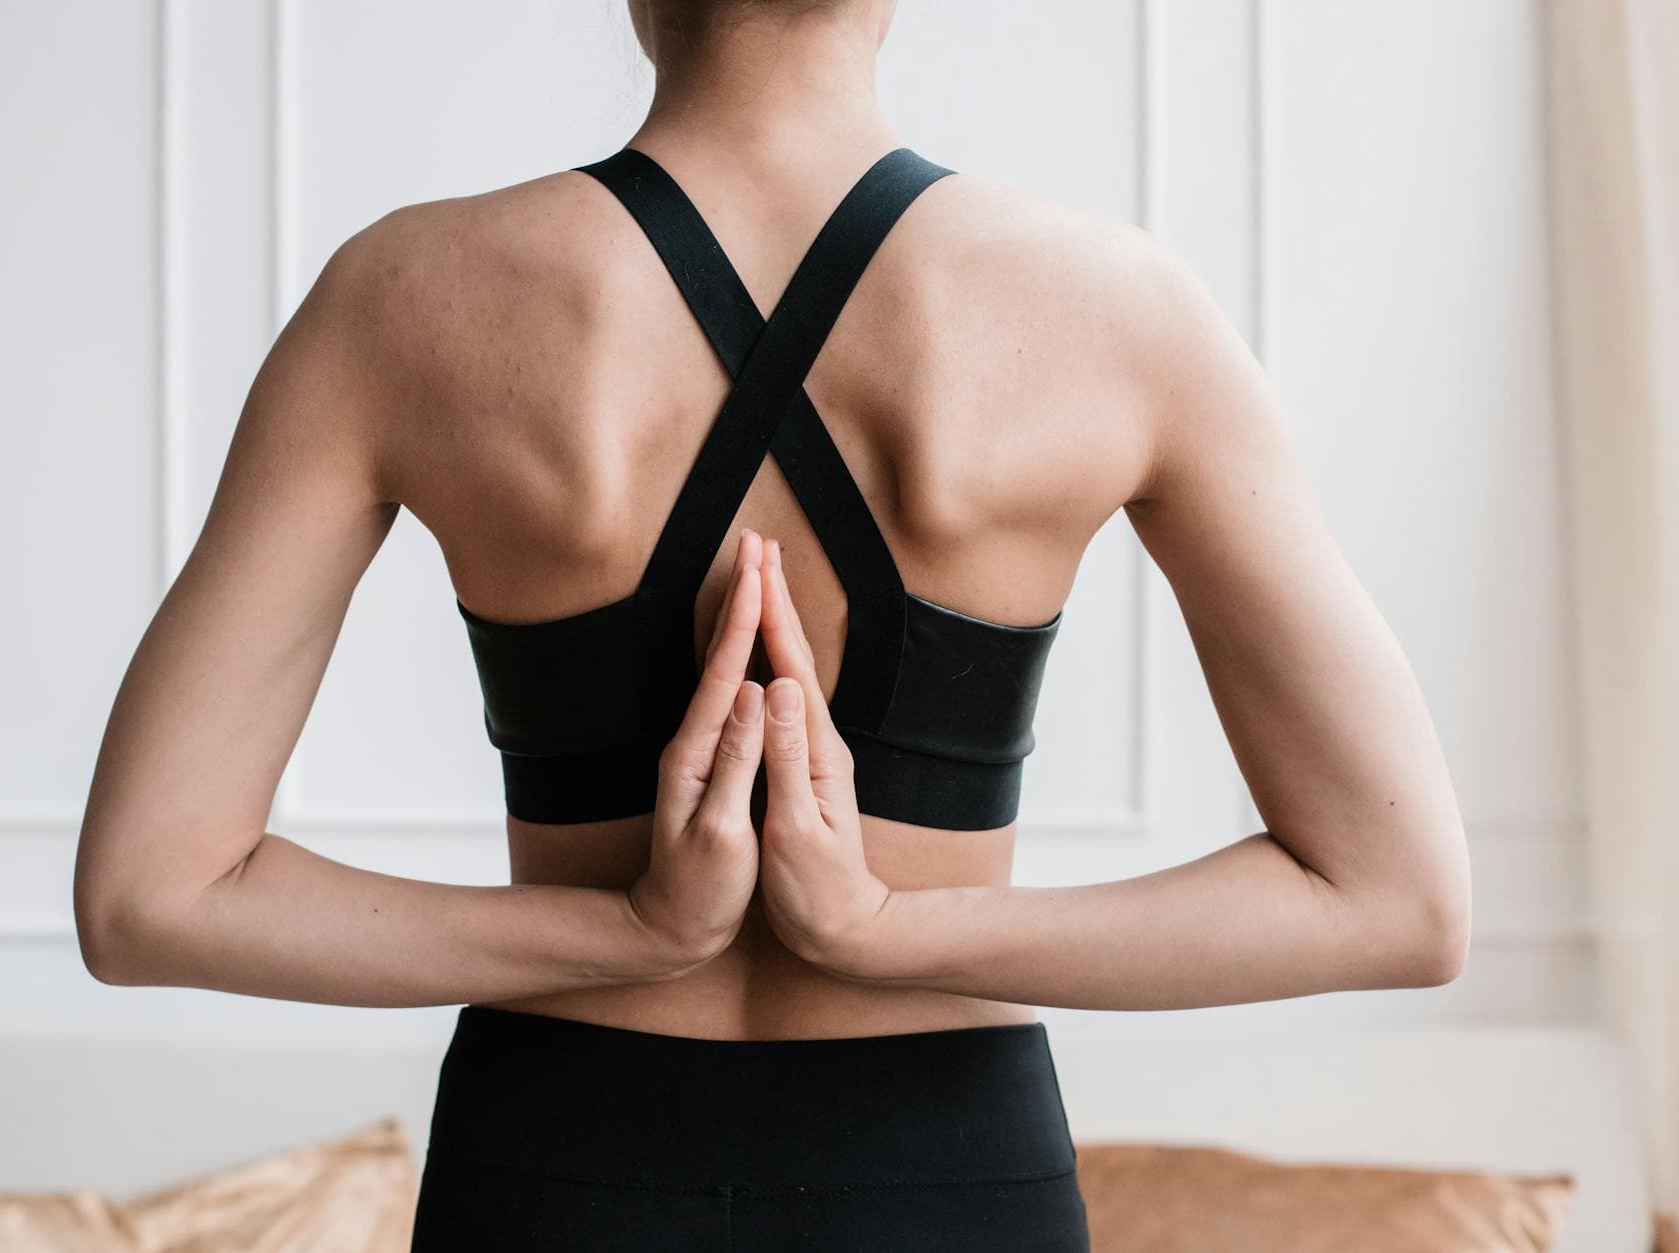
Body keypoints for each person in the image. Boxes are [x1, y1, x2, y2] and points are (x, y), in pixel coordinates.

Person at [72, 0, 1473, 1248]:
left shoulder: (407, 298)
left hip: (557, 1162)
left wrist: (626, 929)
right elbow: (1396, 898)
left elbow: (151, 895)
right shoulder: (1119, 313)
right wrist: (881, 931)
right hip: (948, 1173)